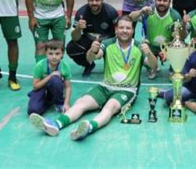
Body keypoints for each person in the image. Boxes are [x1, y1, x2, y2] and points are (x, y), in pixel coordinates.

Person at [29, 16, 157, 141]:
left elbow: (154, 65)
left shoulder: (140, 47)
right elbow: (91, 58)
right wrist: (92, 50)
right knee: (81, 102)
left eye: (128, 28)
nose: (124, 30)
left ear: (132, 30)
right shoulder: (108, 43)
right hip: (105, 86)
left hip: (127, 90)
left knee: (110, 107)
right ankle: (55, 124)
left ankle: (89, 127)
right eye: (121, 27)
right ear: (116, 29)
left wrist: (149, 53)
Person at [129, 0, 182, 79]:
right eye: (159, 0)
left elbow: (178, 38)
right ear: (155, 1)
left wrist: (166, 52)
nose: (162, 3)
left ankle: (173, 69)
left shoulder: (175, 16)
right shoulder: (148, 12)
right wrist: (141, 11)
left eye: (165, 1)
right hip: (150, 46)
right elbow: (130, 18)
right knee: (140, 48)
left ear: (170, 2)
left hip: (167, 46)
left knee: (180, 48)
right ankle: (152, 68)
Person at [66, 0, 118, 77]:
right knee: (71, 47)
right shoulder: (81, 13)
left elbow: (119, 32)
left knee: (112, 70)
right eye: (91, 0)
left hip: (107, 40)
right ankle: (88, 64)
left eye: (97, 0)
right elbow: (75, 38)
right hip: (89, 39)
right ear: (87, 0)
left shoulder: (111, 11)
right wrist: (78, 28)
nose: (94, 3)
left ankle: (110, 62)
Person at [27, 39, 72, 115]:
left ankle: (58, 102)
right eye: (50, 54)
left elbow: (68, 87)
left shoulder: (65, 67)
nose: (54, 57)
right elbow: (35, 87)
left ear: (62, 54)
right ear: (45, 53)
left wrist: (66, 103)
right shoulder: (40, 66)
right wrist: (50, 75)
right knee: (33, 110)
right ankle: (46, 102)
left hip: (54, 87)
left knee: (55, 80)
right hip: (41, 88)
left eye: (57, 54)